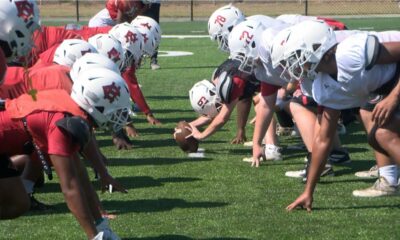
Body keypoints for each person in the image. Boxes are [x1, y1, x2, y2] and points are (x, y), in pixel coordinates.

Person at [271, 20, 400, 211]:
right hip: (387, 88)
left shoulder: (350, 53)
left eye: (296, 56)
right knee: (375, 136)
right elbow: (323, 140)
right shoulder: (323, 87)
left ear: (315, 48)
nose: (294, 64)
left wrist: (393, 98)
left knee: (383, 134)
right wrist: (309, 191)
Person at [141, 1, 161, 70]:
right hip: (140, 2)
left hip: (154, 2)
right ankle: (136, 60)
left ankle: (153, 60)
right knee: (138, 28)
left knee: (154, 29)